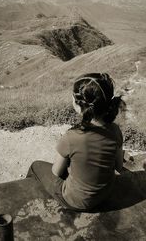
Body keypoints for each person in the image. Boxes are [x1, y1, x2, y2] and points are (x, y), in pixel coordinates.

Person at [26, 73, 124, 212]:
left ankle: (30, 201)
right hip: (104, 195)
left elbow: (56, 172)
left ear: (79, 106)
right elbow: (119, 167)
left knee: (36, 166)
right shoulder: (115, 130)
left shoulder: (72, 136)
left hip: (76, 201)